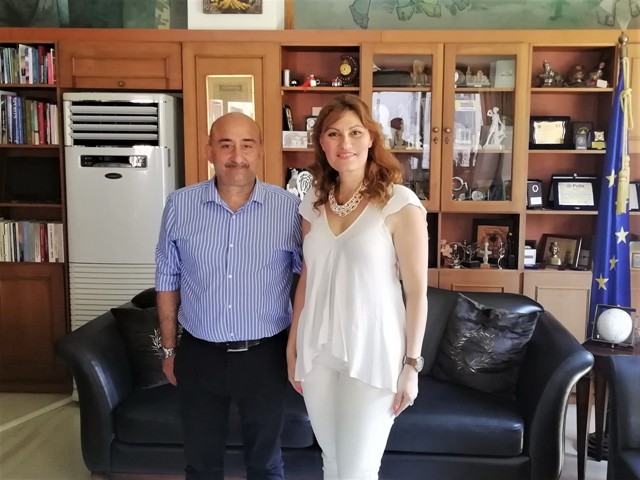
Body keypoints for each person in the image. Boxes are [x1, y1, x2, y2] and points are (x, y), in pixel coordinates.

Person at [287, 94, 429, 479]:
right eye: (333, 133)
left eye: (355, 132)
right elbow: (308, 277)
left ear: (371, 139)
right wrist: (293, 345)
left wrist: (412, 365)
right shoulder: (313, 203)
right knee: (332, 463)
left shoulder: (400, 204)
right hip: (317, 351)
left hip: (374, 351)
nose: (344, 143)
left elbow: (417, 292)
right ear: (321, 142)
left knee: (357, 471)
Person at [155, 112, 302, 480]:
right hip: (199, 354)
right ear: (210, 151)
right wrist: (169, 350)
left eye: (246, 145)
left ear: (261, 150)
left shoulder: (289, 209)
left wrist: (300, 348)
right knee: (201, 465)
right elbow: (167, 278)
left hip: (266, 356)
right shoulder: (179, 205)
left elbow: (309, 279)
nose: (237, 156)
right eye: (226, 145)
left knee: (266, 464)